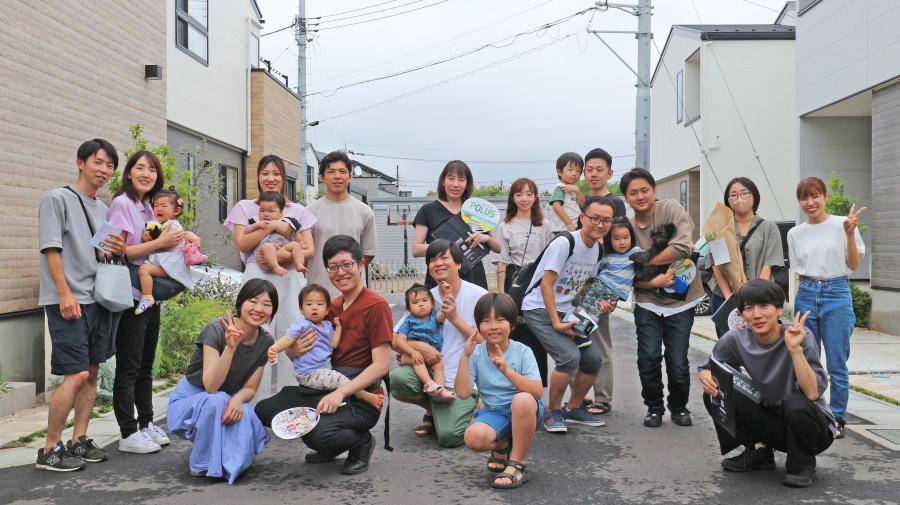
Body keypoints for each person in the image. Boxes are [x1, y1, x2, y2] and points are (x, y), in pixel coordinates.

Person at [255, 236, 393, 475]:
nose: (340, 272)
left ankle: (360, 442)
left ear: (361, 264)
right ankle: (330, 441)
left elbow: (381, 366)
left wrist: (340, 392)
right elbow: (300, 348)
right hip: (321, 384)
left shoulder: (376, 306)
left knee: (318, 433)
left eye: (347, 264)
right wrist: (292, 350)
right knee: (265, 410)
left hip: (359, 397)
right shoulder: (330, 306)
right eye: (333, 267)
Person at [37, 139, 126, 471]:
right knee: (74, 374)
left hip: (96, 299)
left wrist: (116, 250)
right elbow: (51, 249)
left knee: (91, 374)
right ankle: (49, 449)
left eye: (109, 165)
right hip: (68, 299)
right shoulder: (56, 199)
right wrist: (64, 293)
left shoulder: (102, 209)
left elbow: (100, 256)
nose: (103, 170)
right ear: (80, 163)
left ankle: (79, 440)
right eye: (97, 162)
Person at [698, 280, 835, 488]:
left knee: (795, 403)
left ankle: (803, 463)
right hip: (772, 420)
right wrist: (707, 378)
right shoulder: (737, 338)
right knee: (715, 392)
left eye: (764, 306)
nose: (756, 314)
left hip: (812, 428)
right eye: (748, 308)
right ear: (741, 314)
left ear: (779, 309)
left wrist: (795, 350)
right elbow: (708, 367)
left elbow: (812, 393)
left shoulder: (799, 336)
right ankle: (759, 452)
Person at [109, 151, 186, 455]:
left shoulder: (148, 207)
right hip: (130, 294)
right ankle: (128, 432)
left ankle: (146, 423)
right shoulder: (122, 204)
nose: (146, 173)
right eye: (139, 168)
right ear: (129, 173)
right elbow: (116, 251)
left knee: (145, 364)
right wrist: (160, 243)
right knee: (129, 365)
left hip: (148, 295)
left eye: (152, 169)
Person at [224, 154, 317, 399]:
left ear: (284, 178)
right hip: (257, 277)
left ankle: (289, 405)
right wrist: (273, 225)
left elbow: (309, 249)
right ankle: (253, 404)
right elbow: (243, 243)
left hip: (291, 276)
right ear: (258, 177)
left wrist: (282, 256)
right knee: (254, 337)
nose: (270, 178)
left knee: (292, 335)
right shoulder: (245, 207)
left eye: (276, 173)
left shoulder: (298, 211)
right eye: (265, 173)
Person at [166, 279, 277, 483]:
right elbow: (211, 386)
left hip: (225, 399)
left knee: (245, 411)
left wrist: (238, 400)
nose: (259, 309)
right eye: (253, 301)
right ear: (241, 303)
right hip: (191, 400)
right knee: (217, 400)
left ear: (272, 311)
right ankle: (202, 463)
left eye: (267, 304)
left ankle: (231, 463)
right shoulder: (216, 329)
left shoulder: (266, 340)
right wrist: (230, 348)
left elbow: (250, 387)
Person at [521, 196, 614, 433]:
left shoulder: (598, 250)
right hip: (538, 308)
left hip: (566, 310)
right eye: (595, 218)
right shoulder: (565, 243)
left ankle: (573, 408)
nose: (600, 224)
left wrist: (602, 303)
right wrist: (555, 321)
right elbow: (546, 284)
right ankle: (553, 412)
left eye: (606, 220)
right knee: (568, 357)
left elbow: (582, 285)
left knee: (593, 359)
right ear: (582, 218)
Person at [622, 168, 705, 428]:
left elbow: (682, 248)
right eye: (633, 193)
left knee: (677, 360)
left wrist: (644, 261)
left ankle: (679, 407)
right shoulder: (626, 228)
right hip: (647, 301)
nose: (640, 196)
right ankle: (654, 407)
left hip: (681, 300)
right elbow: (622, 271)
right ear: (626, 197)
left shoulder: (670, 209)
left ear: (654, 190)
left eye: (644, 190)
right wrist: (651, 281)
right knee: (648, 357)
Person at [788, 176, 865, 439]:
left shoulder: (843, 224)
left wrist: (850, 233)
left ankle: (837, 417)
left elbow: (853, 264)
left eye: (815, 196)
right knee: (806, 358)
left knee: (836, 361)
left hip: (837, 292)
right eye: (804, 198)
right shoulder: (795, 233)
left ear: (825, 197)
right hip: (807, 292)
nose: (810, 202)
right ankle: (810, 413)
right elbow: (799, 271)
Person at [390, 239, 487, 446]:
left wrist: (455, 319)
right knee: (398, 380)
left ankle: (459, 411)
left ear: (459, 263)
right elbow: (394, 339)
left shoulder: (479, 296)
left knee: (449, 436)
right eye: (432, 260)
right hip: (431, 374)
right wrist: (420, 347)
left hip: (465, 380)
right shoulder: (424, 297)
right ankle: (433, 409)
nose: (438, 263)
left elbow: (488, 342)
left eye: (444, 258)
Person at [456, 293, 544, 489]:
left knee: (521, 399)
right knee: (472, 438)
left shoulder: (523, 351)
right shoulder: (476, 353)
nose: (493, 326)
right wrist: (464, 357)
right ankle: (503, 444)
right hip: (494, 412)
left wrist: (506, 371)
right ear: (478, 326)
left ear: (512, 325)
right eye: (486, 321)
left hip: (525, 411)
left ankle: (517, 463)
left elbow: (537, 391)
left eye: (500, 320)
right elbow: (462, 393)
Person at [266, 284, 383, 410]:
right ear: (301, 309)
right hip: (309, 373)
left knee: (336, 381)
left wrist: (338, 328)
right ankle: (363, 395)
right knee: (341, 380)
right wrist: (275, 348)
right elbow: (287, 339)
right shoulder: (301, 325)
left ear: (327, 310)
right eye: (309, 304)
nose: (314, 307)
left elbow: (333, 344)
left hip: (322, 370)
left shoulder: (327, 326)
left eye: (319, 304)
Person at [577, 148, 627, 415]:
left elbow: (620, 250)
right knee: (575, 338)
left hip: (600, 284)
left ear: (610, 173)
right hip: (579, 280)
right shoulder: (585, 202)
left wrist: (612, 294)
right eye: (589, 170)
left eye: (599, 169)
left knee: (599, 342)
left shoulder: (614, 203)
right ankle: (580, 396)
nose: (594, 174)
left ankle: (602, 398)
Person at [492, 178, 553, 386]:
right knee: (514, 330)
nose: (524, 199)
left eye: (529, 194)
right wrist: (502, 295)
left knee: (537, 331)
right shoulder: (505, 226)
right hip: (515, 281)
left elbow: (550, 258)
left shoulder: (545, 225)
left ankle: (536, 385)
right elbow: (502, 262)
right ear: (512, 198)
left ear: (535, 197)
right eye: (519, 194)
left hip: (537, 281)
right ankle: (512, 384)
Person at [707, 177, 784, 337]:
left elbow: (768, 265)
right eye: (733, 195)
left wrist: (755, 297)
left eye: (744, 193)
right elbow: (717, 265)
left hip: (761, 298)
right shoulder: (720, 228)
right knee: (729, 344)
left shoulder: (768, 228)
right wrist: (729, 299)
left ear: (753, 196)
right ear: (728, 200)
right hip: (724, 297)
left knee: (760, 342)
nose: (738, 198)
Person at [412, 160, 501, 290]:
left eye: (461, 180)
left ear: (467, 184)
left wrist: (486, 238)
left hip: (473, 275)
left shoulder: (475, 210)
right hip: (441, 276)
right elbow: (416, 249)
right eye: (451, 178)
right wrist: (447, 247)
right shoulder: (428, 210)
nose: (455, 184)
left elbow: (498, 248)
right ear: (443, 181)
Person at [305, 150, 377, 299]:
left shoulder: (364, 211)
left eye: (342, 171)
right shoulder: (309, 212)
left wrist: (348, 271)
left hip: (354, 295)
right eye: (331, 172)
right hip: (319, 293)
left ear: (350, 176)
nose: (337, 176)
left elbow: (368, 252)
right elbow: (304, 253)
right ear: (322, 177)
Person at [135, 189, 202, 314]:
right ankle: (147, 297)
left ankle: (146, 297)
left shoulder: (172, 225)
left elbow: (169, 244)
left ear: (176, 211)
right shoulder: (162, 224)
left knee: (144, 270)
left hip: (172, 263)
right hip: (167, 262)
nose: (159, 209)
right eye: (156, 205)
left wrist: (150, 242)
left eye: (164, 206)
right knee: (145, 269)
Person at [393, 284, 456, 401]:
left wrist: (448, 294)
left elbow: (445, 312)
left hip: (430, 354)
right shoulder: (409, 322)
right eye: (415, 302)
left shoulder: (434, 318)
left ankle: (440, 390)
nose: (421, 304)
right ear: (409, 308)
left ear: (432, 305)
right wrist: (412, 352)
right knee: (419, 360)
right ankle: (429, 383)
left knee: (439, 365)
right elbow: (400, 341)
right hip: (411, 353)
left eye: (424, 300)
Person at [245, 191, 308, 277]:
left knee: (295, 244)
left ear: (281, 213)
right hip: (264, 257)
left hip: (284, 250)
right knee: (268, 246)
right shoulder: (256, 222)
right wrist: (257, 225)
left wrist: (301, 243)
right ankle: (275, 267)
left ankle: (299, 264)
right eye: (262, 211)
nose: (266, 214)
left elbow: (296, 234)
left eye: (271, 211)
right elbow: (246, 231)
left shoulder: (286, 222)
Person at [547, 152, 586, 234]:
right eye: (570, 170)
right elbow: (556, 206)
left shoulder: (574, 189)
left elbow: (582, 205)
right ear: (559, 172)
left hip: (573, 228)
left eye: (578, 170)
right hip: (562, 229)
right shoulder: (561, 187)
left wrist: (577, 191)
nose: (574, 173)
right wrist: (569, 223)